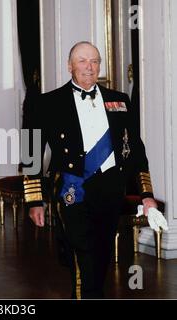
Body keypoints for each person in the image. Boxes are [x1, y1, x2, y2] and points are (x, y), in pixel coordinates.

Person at [24, 41, 158, 299]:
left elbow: (137, 153)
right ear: (69, 66)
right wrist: (34, 200)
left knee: (101, 253)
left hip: (110, 189)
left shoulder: (119, 101)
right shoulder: (46, 102)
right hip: (72, 188)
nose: (89, 66)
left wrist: (146, 195)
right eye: (82, 61)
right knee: (81, 252)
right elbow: (29, 152)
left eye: (94, 61)